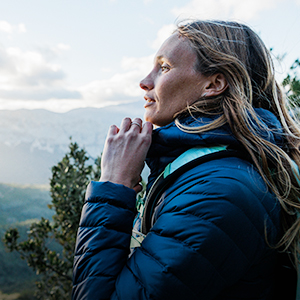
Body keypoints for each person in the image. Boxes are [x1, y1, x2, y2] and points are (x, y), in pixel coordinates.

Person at [72, 20, 300, 299]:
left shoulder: (217, 193)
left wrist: (114, 184)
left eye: (164, 67)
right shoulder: (203, 170)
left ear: (214, 84)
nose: (144, 81)